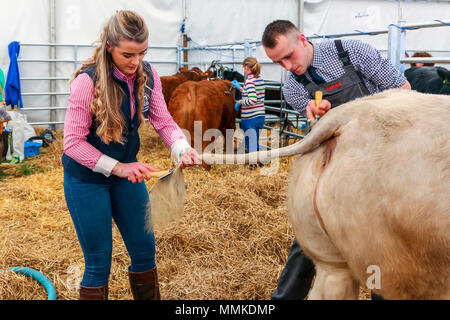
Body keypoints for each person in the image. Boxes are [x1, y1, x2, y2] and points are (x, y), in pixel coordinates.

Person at [261, 19, 411, 300]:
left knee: (380, 236)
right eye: (277, 62)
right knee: (310, 232)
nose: (287, 67)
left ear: (302, 39)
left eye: (288, 56)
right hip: (338, 165)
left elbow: (404, 91)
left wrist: (350, 114)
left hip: (382, 157)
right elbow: (317, 134)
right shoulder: (293, 89)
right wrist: (319, 119)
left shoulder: (353, 52)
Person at [62, 10, 200, 300]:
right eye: (128, 55)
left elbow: (163, 121)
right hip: (87, 180)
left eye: (142, 53)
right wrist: (119, 168)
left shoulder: (147, 75)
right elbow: (72, 143)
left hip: (126, 176)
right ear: (109, 47)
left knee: (145, 251)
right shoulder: (87, 82)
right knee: (99, 262)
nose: (136, 62)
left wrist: (182, 148)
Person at [231, 57, 265, 168]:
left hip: (250, 117)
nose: (243, 69)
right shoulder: (259, 78)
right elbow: (253, 93)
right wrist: (241, 88)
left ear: (247, 68)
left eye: (244, 67)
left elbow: (252, 100)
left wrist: (240, 102)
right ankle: (259, 161)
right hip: (260, 116)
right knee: (255, 140)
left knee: (250, 141)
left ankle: (253, 164)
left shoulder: (250, 81)